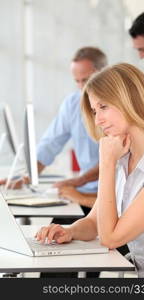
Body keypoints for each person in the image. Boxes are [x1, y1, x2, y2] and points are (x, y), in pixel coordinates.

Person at [36, 63, 144, 278]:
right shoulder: (125, 159)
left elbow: (111, 238)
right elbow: (94, 222)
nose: (98, 120)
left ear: (131, 101)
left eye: (103, 107)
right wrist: (69, 231)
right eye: (95, 111)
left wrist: (106, 163)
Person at [0, 47, 108, 212]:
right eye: (77, 81)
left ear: (104, 73)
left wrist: (78, 181)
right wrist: (25, 178)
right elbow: (50, 144)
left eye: (86, 80)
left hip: (110, 192)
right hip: (85, 189)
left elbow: (116, 158)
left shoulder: (117, 108)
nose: (81, 88)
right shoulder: (72, 104)